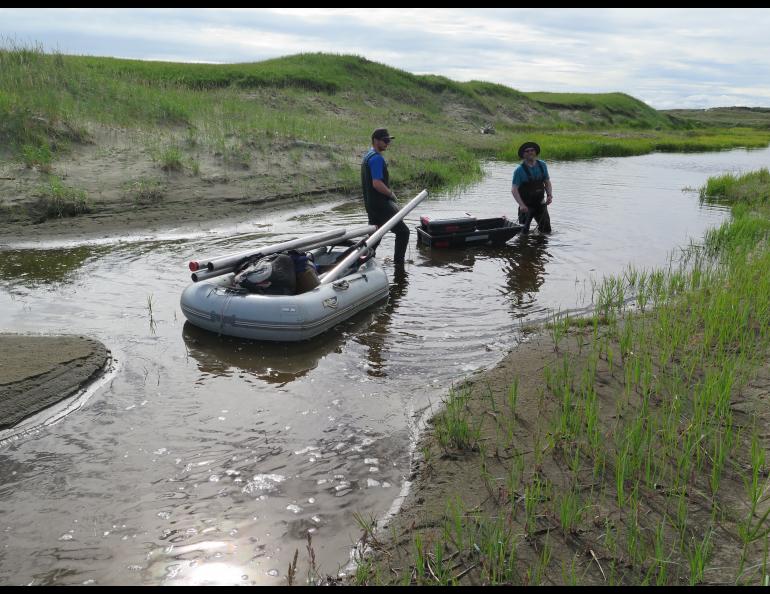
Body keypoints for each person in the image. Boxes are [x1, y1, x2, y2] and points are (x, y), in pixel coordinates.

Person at [361, 128, 410, 265]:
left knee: (375, 236)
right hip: (380, 205)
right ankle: (399, 265)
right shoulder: (376, 159)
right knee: (403, 232)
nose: (387, 143)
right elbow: (376, 183)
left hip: (371, 205)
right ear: (376, 141)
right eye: (385, 140)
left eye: (389, 140)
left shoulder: (367, 156)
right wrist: (391, 194)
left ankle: (360, 261)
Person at [511, 141, 553, 233]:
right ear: (523, 155)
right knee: (523, 233)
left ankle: (540, 246)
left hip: (541, 205)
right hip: (526, 207)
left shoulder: (542, 165)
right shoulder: (519, 170)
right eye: (527, 151)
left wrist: (549, 195)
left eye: (532, 150)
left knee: (546, 231)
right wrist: (521, 205)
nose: (530, 152)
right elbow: (514, 190)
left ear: (535, 152)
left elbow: (547, 182)